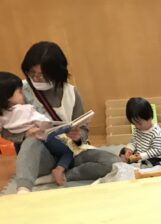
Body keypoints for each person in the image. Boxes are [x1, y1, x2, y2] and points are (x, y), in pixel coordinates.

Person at [9, 41, 119, 193]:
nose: (36, 78)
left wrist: (78, 136)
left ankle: (63, 175)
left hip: (69, 152)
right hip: (40, 157)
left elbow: (83, 130)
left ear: (56, 72)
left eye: (41, 74)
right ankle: (23, 189)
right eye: (31, 73)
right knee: (33, 139)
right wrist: (25, 134)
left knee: (113, 163)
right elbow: (6, 130)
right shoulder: (19, 92)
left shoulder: (71, 93)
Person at [0, 71, 75, 185]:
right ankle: (59, 169)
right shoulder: (25, 109)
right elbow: (43, 122)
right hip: (43, 138)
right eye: (20, 92)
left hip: (28, 152)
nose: (23, 95)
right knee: (69, 150)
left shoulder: (2, 116)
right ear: (7, 97)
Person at [123, 97, 161, 167]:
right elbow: (134, 141)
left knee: (150, 162)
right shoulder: (138, 129)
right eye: (134, 124)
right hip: (141, 155)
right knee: (123, 150)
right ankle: (138, 162)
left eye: (139, 123)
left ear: (149, 117)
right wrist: (129, 149)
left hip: (155, 156)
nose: (137, 126)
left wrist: (142, 156)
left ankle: (160, 164)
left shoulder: (157, 132)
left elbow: (157, 150)